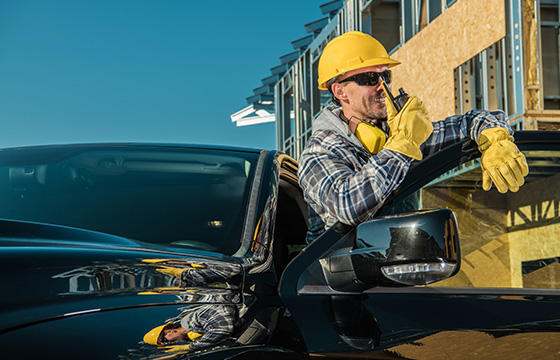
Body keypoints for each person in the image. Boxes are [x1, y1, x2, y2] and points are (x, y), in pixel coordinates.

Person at [298, 31, 529, 242]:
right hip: (336, 283)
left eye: (385, 76)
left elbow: (472, 122)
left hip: (401, 268)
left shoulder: (395, 132)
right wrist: (401, 146)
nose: (382, 86)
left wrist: (496, 139)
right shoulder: (319, 151)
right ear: (340, 91)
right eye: (369, 78)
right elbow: (349, 205)